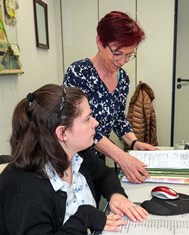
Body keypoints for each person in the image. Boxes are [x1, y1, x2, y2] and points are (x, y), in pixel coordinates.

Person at [0, 84, 148, 235]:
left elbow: (104, 175)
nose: (96, 123)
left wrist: (116, 195)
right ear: (62, 133)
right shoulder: (24, 185)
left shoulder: (79, 154)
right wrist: (84, 217)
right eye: (87, 119)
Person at [63, 11, 157, 184]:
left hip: (100, 156)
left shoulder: (123, 79)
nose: (123, 61)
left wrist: (134, 142)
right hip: (75, 158)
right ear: (100, 42)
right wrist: (121, 157)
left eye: (129, 54)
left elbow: (119, 119)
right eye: (118, 53)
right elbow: (78, 125)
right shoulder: (79, 73)